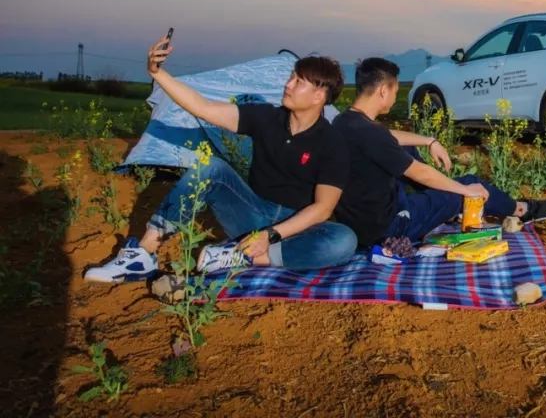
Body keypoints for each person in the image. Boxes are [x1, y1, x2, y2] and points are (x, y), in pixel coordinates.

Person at [85, 34, 357, 282]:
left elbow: (323, 208)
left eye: (298, 82)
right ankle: (144, 254)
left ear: (319, 96)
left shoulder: (332, 142)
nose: (288, 85)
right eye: (291, 77)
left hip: (295, 227)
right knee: (210, 166)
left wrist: (270, 235)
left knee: (343, 240)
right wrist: (157, 73)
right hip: (251, 212)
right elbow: (203, 107)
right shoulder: (266, 117)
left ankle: (243, 256)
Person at [332, 57, 546, 249]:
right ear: (384, 91)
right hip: (391, 226)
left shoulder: (344, 121)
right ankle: (521, 210)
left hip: (359, 223)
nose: (394, 97)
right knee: (469, 184)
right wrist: (464, 191)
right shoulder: (372, 134)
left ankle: (441, 201)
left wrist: (429, 140)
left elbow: (387, 136)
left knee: (405, 146)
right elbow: (420, 172)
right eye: (395, 90)